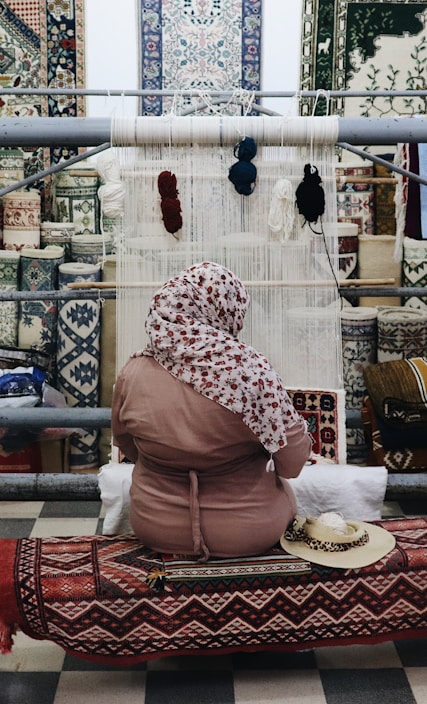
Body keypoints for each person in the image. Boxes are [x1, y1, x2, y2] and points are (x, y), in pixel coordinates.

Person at [111, 261, 312, 560]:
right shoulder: (250, 374)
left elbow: (126, 443)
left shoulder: (133, 372)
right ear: (224, 310)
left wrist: (170, 461)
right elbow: (292, 463)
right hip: (248, 531)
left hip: (154, 526)